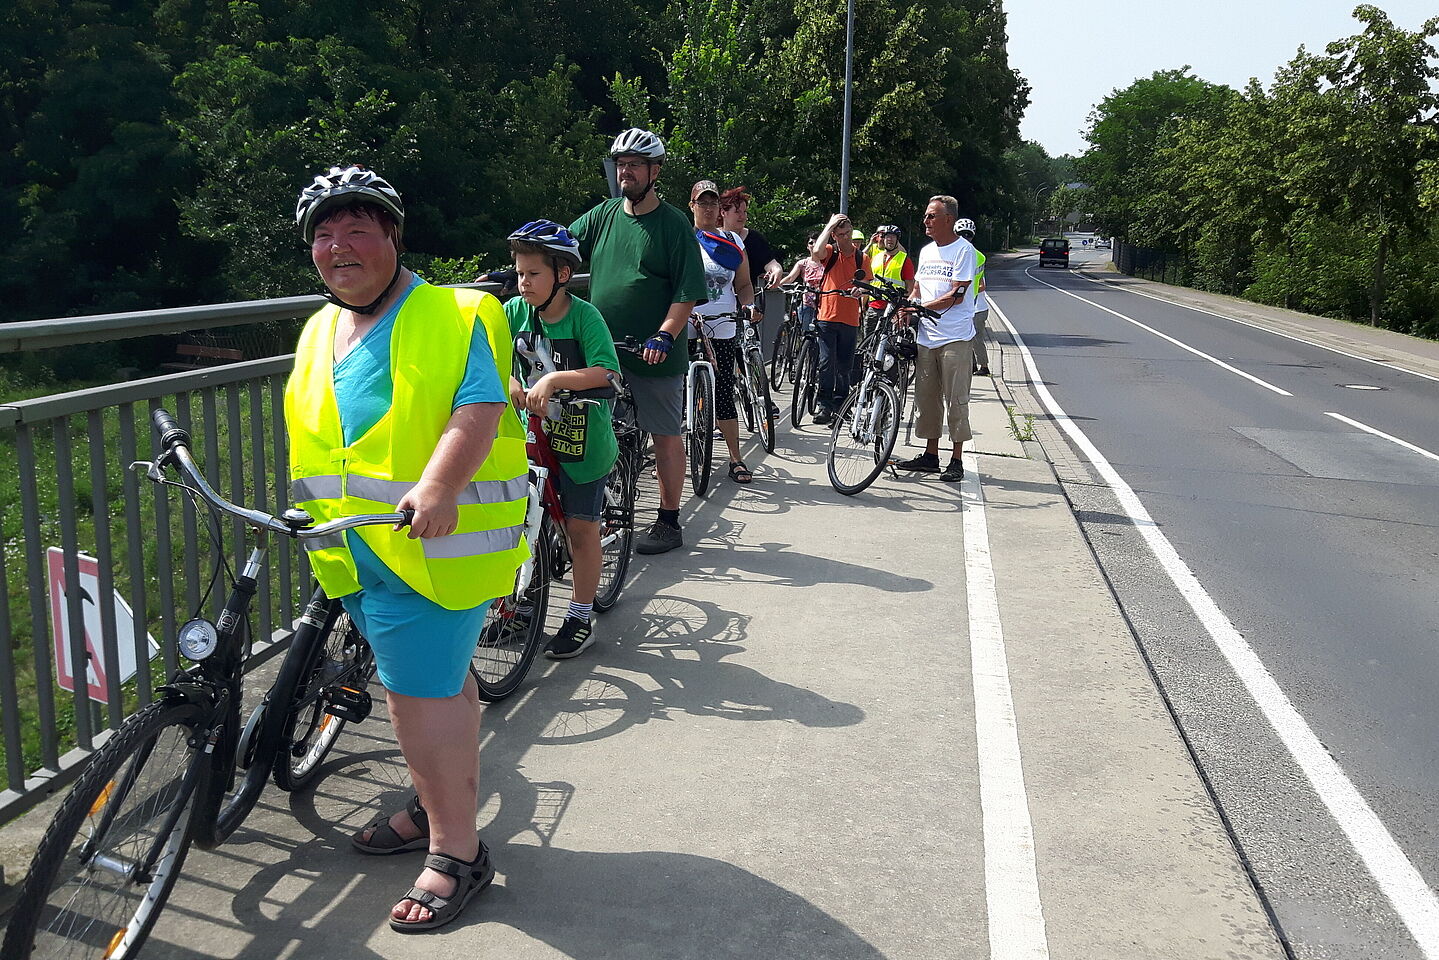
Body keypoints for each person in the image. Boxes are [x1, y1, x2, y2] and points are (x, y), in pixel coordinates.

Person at [289, 165, 527, 931]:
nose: (338, 246)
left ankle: (458, 852)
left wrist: (438, 486)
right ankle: (436, 812)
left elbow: (479, 407)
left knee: (416, 702)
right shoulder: (320, 326)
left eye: (357, 228)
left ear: (392, 235)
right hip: (353, 550)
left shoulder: (457, 313)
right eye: (324, 234)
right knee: (443, 690)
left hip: (426, 548)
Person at [570, 129, 706, 555]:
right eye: (620, 164)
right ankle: (587, 514)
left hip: (654, 350)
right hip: (602, 349)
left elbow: (686, 291)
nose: (625, 172)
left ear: (655, 171)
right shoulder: (604, 214)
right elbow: (562, 247)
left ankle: (668, 520)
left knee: (664, 434)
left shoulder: (673, 225)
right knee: (589, 428)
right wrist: (521, 267)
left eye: (634, 165)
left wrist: (666, 334)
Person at [504, 220, 620, 659]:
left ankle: (579, 615)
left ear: (562, 275)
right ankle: (522, 603)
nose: (524, 282)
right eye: (519, 273)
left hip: (581, 441)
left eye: (534, 273)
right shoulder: (514, 312)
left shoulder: (585, 317)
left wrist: (553, 378)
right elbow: (492, 356)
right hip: (531, 437)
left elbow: (606, 371)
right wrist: (510, 381)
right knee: (521, 519)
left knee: (579, 530)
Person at [896, 194, 977, 482]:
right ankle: (931, 455)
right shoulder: (927, 251)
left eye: (932, 216)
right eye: (926, 215)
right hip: (927, 336)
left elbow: (957, 294)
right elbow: (918, 288)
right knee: (927, 399)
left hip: (955, 336)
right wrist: (908, 307)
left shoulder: (963, 251)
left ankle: (956, 459)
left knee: (956, 398)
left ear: (949, 220)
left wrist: (919, 307)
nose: (926, 220)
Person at [690, 180, 758, 483]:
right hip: (686, 322)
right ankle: (671, 455)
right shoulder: (682, 239)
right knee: (678, 390)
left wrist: (748, 305)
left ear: (719, 208)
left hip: (722, 322)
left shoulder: (732, 241)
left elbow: (743, 283)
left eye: (713, 203)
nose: (708, 208)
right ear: (692, 206)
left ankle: (735, 458)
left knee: (724, 390)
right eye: (702, 203)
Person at [808, 212, 870, 425]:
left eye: (847, 233)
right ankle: (824, 405)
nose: (845, 238)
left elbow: (867, 286)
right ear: (834, 236)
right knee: (826, 363)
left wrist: (859, 292)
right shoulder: (829, 253)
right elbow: (816, 252)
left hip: (850, 319)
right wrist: (830, 224)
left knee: (845, 366)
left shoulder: (862, 258)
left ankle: (842, 406)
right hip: (827, 316)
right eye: (840, 234)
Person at [956, 218, 991, 377]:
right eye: (961, 235)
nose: (965, 238)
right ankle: (972, 366)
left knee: (975, 338)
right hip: (966, 305)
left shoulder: (977, 256)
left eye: (967, 235)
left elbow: (981, 284)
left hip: (976, 306)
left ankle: (983, 366)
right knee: (965, 338)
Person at [865, 224, 915, 327]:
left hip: (893, 307)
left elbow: (910, 287)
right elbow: (868, 281)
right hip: (873, 306)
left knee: (887, 342)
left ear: (898, 240)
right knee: (868, 341)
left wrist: (904, 308)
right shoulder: (876, 258)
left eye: (893, 237)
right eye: (887, 236)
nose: (890, 239)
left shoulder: (904, 259)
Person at [778, 230, 824, 331]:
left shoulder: (828, 263)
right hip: (807, 303)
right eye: (811, 242)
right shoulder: (803, 263)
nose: (814, 245)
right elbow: (790, 278)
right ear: (807, 246)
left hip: (824, 304)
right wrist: (776, 284)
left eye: (817, 242)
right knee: (806, 334)